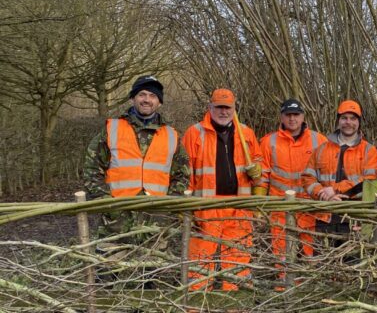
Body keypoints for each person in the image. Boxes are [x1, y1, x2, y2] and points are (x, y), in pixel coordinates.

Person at [83, 75, 190, 241]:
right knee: (113, 266)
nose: (147, 100)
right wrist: (106, 204)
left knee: (155, 267)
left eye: (153, 96)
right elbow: (91, 169)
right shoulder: (112, 129)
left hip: (157, 224)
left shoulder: (172, 135)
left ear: (159, 102)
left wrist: (168, 206)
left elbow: (182, 175)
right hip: (116, 224)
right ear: (133, 98)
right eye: (142, 94)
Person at [181, 88, 262, 291]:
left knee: (238, 266)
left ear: (234, 109)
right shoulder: (195, 133)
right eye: (219, 107)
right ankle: (196, 305)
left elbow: (259, 167)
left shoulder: (247, 134)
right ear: (210, 108)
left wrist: (258, 174)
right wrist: (186, 207)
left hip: (239, 208)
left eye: (228, 108)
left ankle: (234, 305)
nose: (223, 112)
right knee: (199, 268)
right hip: (205, 208)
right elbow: (185, 172)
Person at [256, 98, 326, 284]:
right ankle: (284, 286)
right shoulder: (268, 141)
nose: (292, 119)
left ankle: (311, 287)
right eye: (288, 115)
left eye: (296, 115)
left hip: (309, 205)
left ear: (303, 117)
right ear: (281, 117)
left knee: (311, 251)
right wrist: (260, 205)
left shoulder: (318, 140)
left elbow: (328, 172)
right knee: (281, 252)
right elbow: (262, 177)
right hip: (279, 206)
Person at [300, 99, 377, 255]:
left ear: (359, 122)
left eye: (353, 118)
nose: (348, 122)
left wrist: (334, 190)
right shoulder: (322, 148)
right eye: (344, 118)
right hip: (324, 218)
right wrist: (322, 194)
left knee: (352, 270)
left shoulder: (369, 151)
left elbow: (369, 183)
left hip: (354, 220)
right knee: (321, 268)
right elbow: (307, 177)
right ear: (338, 120)